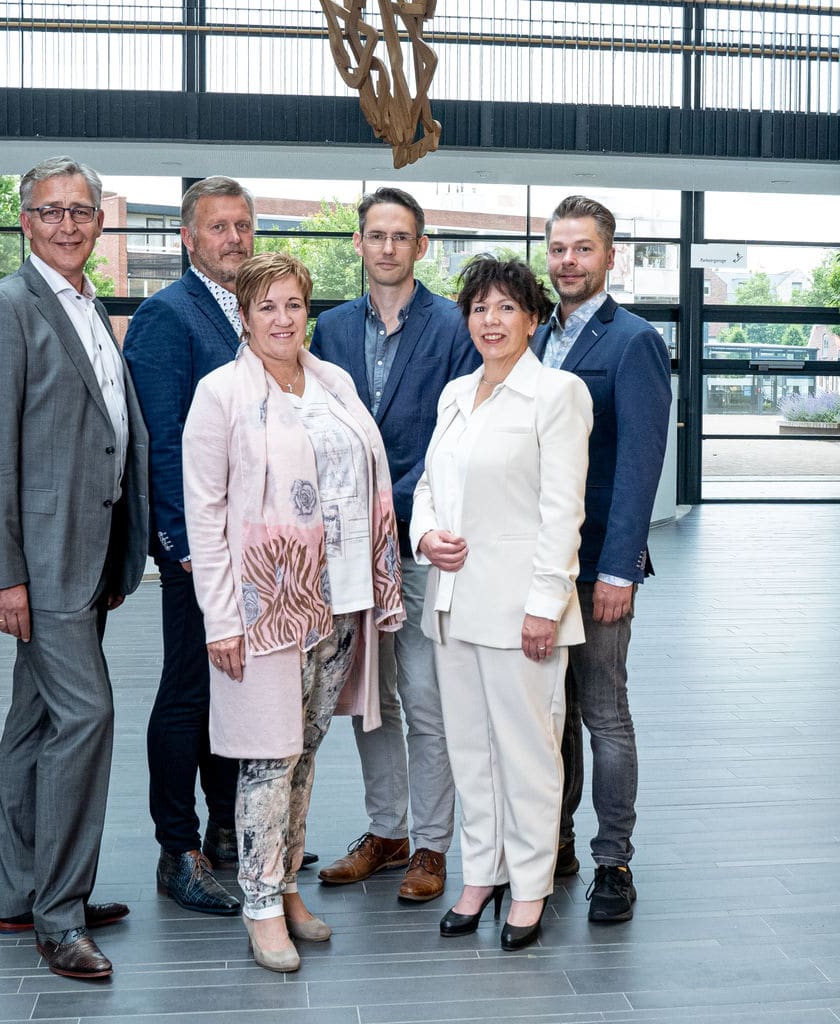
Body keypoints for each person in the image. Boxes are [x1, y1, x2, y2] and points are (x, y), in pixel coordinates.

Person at [182, 252, 405, 973]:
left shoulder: (332, 381)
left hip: (340, 597)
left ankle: (284, 887)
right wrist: (221, 618)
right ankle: (258, 905)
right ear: (243, 317)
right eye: (267, 307)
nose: (283, 319)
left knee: (305, 751)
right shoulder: (220, 394)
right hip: (266, 604)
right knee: (266, 756)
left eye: (294, 305)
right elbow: (204, 513)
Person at [0, 156, 149, 979]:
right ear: (23, 222)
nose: (68, 224)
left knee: (36, 719)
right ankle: (59, 917)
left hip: (87, 553)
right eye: (50, 211)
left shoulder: (88, 306)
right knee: (87, 717)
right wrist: (2, 573)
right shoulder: (2, 308)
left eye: (81, 211)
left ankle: (24, 893)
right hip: (39, 563)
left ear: (100, 222)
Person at [410, 254, 593, 950]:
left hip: (522, 610)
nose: (491, 320)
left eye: (507, 308)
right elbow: (428, 486)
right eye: (480, 308)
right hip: (453, 603)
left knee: (527, 754)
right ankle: (480, 874)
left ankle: (530, 887)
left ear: (534, 319)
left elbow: (561, 511)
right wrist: (426, 535)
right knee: (469, 751)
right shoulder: (456, 393)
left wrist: (546, 604)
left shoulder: (557, 394)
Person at [310, 187, 478, 903]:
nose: (387, 247)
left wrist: (398, 503)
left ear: (420, 246)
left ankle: (433, 847)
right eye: (375, 235)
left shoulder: (452, 327)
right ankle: (388, 832)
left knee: (427, 696)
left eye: (400, 236)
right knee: (369, 698)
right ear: (358, 243)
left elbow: (457, 433)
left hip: (417, 539)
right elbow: (315, 424)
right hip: (349, 548)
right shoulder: (330, 330)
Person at [532, 195, 672, 922]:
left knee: (604, 715)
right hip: (538, 567)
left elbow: (642, 462)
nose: (568, 263)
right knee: (549, 716)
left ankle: (613, 861)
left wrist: (619, 567)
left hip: (596, 570)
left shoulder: (633, 341)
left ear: (610, 256)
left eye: (583, 249)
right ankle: (552, 846)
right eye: (558, 249)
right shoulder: (533, 339)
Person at [123, 176, 255, 917]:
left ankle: (227, 827)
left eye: (243, 226)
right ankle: (178, 851)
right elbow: (159, 441)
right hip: (196, 545)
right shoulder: (168, 315)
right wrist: (179, 541)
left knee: (232, 692)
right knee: (188, 694)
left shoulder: (249, 307)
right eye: (218, 227)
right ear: (187, 238)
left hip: (252, 543)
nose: (233, 238)